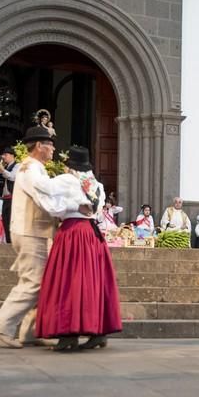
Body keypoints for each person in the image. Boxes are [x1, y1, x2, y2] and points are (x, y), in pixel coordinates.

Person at [0, 126, 93, 348]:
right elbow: (45, 199)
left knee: (43, 281)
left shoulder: (36, 168)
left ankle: (30, 331)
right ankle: (2, 326)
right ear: (39, 146)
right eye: (50, 144)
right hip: (29, 231)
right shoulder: (29, 170)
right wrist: (75, 200)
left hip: (35, 230)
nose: (54, 148)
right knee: (34, 281)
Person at [36, 145, 121, 350]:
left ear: (70, 165)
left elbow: (41, 188)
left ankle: (69, 334)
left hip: (73, 233)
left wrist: (31, 165)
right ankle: (98, 333)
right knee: (93, 282)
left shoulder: (67, 180)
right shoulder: (97, 185)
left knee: (69, 282)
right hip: (92, 236)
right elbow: (98, 213)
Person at [0, 146, 19, 243]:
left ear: (12, 156)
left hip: (13, 198)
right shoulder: (5, 167)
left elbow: (12, 177)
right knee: (5, 222)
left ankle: (13, 243)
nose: (4, 157)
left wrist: (2, 170)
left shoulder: (17, 165)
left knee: (11, 223)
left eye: (6, 155)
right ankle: (8, 243)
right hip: (5, 198)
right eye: (3, 155)